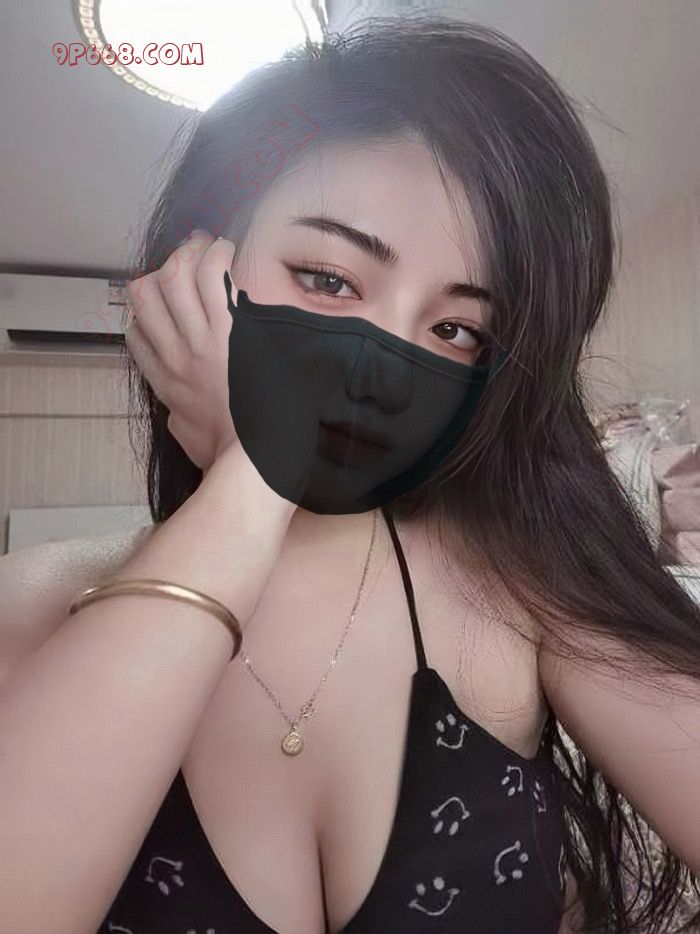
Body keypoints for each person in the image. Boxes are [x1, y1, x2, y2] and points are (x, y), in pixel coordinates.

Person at [0, 14, 698, 934]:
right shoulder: (33, 603)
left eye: (456, 329)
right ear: (193, 271)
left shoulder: (521, 592)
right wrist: (254, 475)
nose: (382, 379)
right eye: (328, 279)